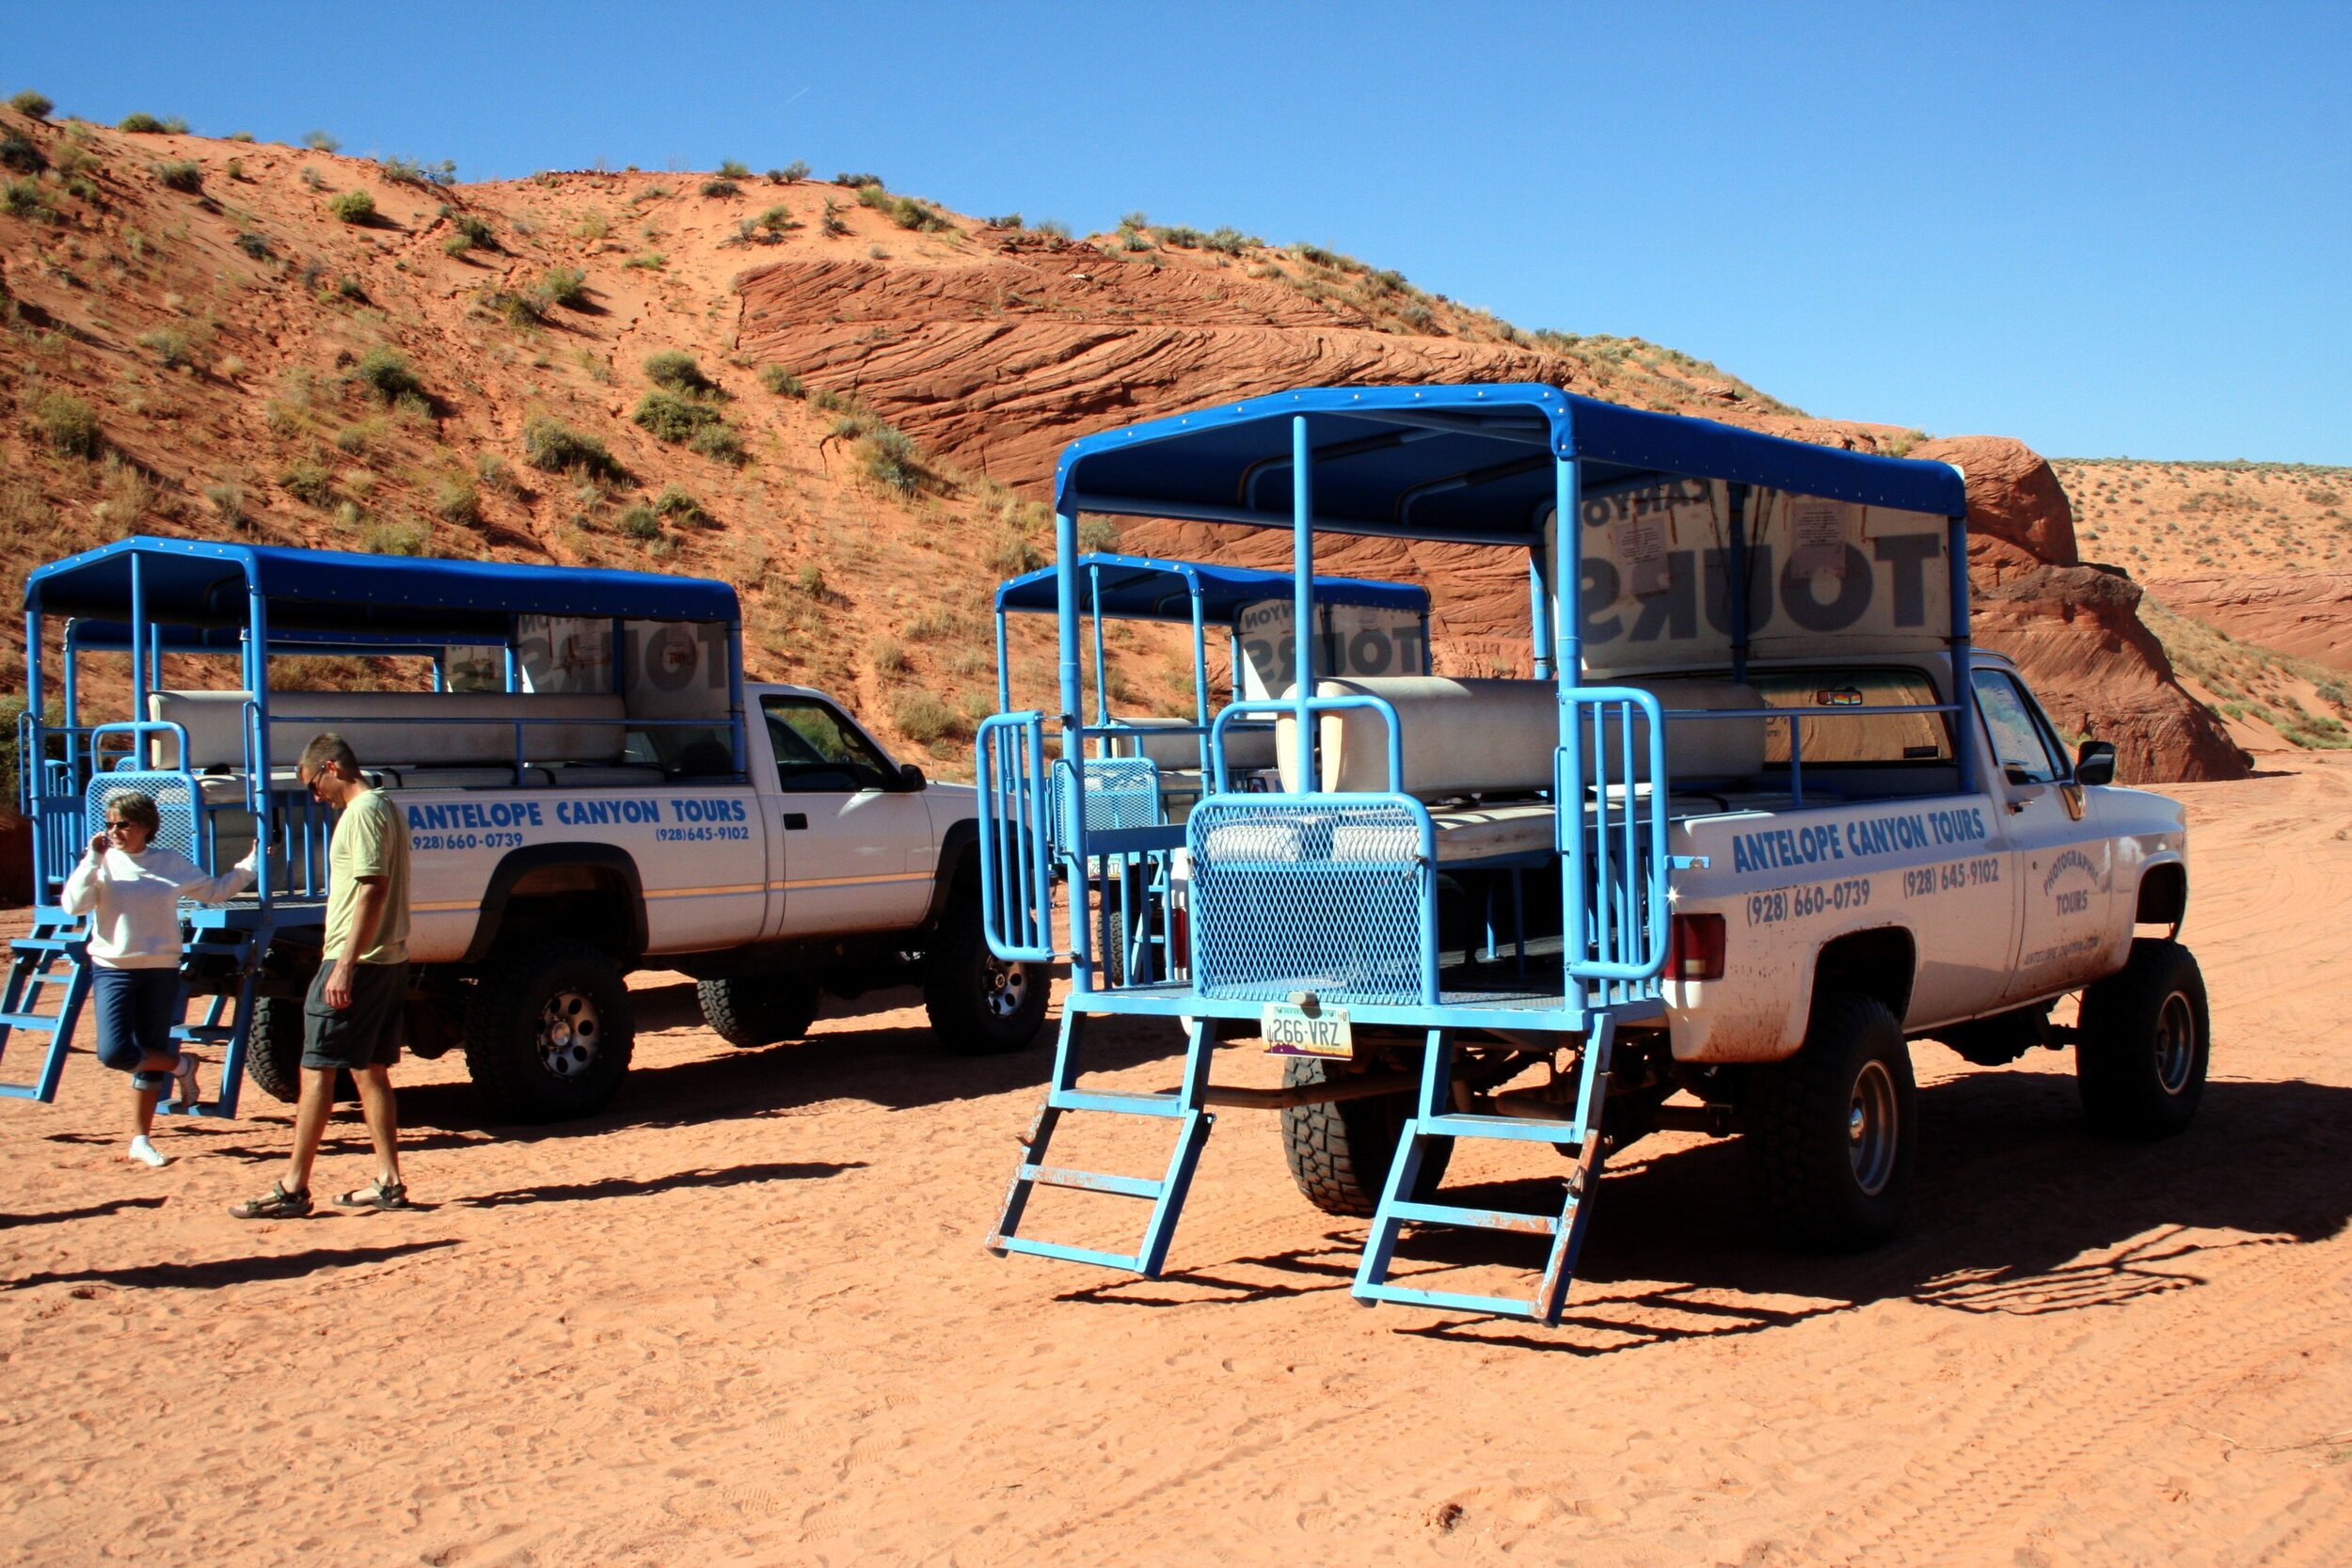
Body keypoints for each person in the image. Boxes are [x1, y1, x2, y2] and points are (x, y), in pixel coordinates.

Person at [232, 734, 415, 1218]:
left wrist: (344, 964)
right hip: (386, 958)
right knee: (369, 1068)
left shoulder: (362, 813)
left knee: (316, 1067)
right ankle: (388, 1182)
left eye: (314, 784)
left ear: (332, 767)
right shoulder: (386, 807)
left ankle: (294, 1186)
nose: (316, 795)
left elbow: (373, 888)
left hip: (361, 961)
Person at [60, 790, 258, 1166]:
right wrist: (92, 858)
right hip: (114, 968)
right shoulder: (101, 863)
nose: (115, 831)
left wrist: (251, 865)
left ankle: (141, 1138)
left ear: (146, 827)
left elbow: (215, 891)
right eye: (110, 824)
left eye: (124, 824)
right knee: (114, 1052)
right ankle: (182, 1066)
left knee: (149, 1046)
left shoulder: (168, 863)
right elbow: (74, 905)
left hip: (161, 969)